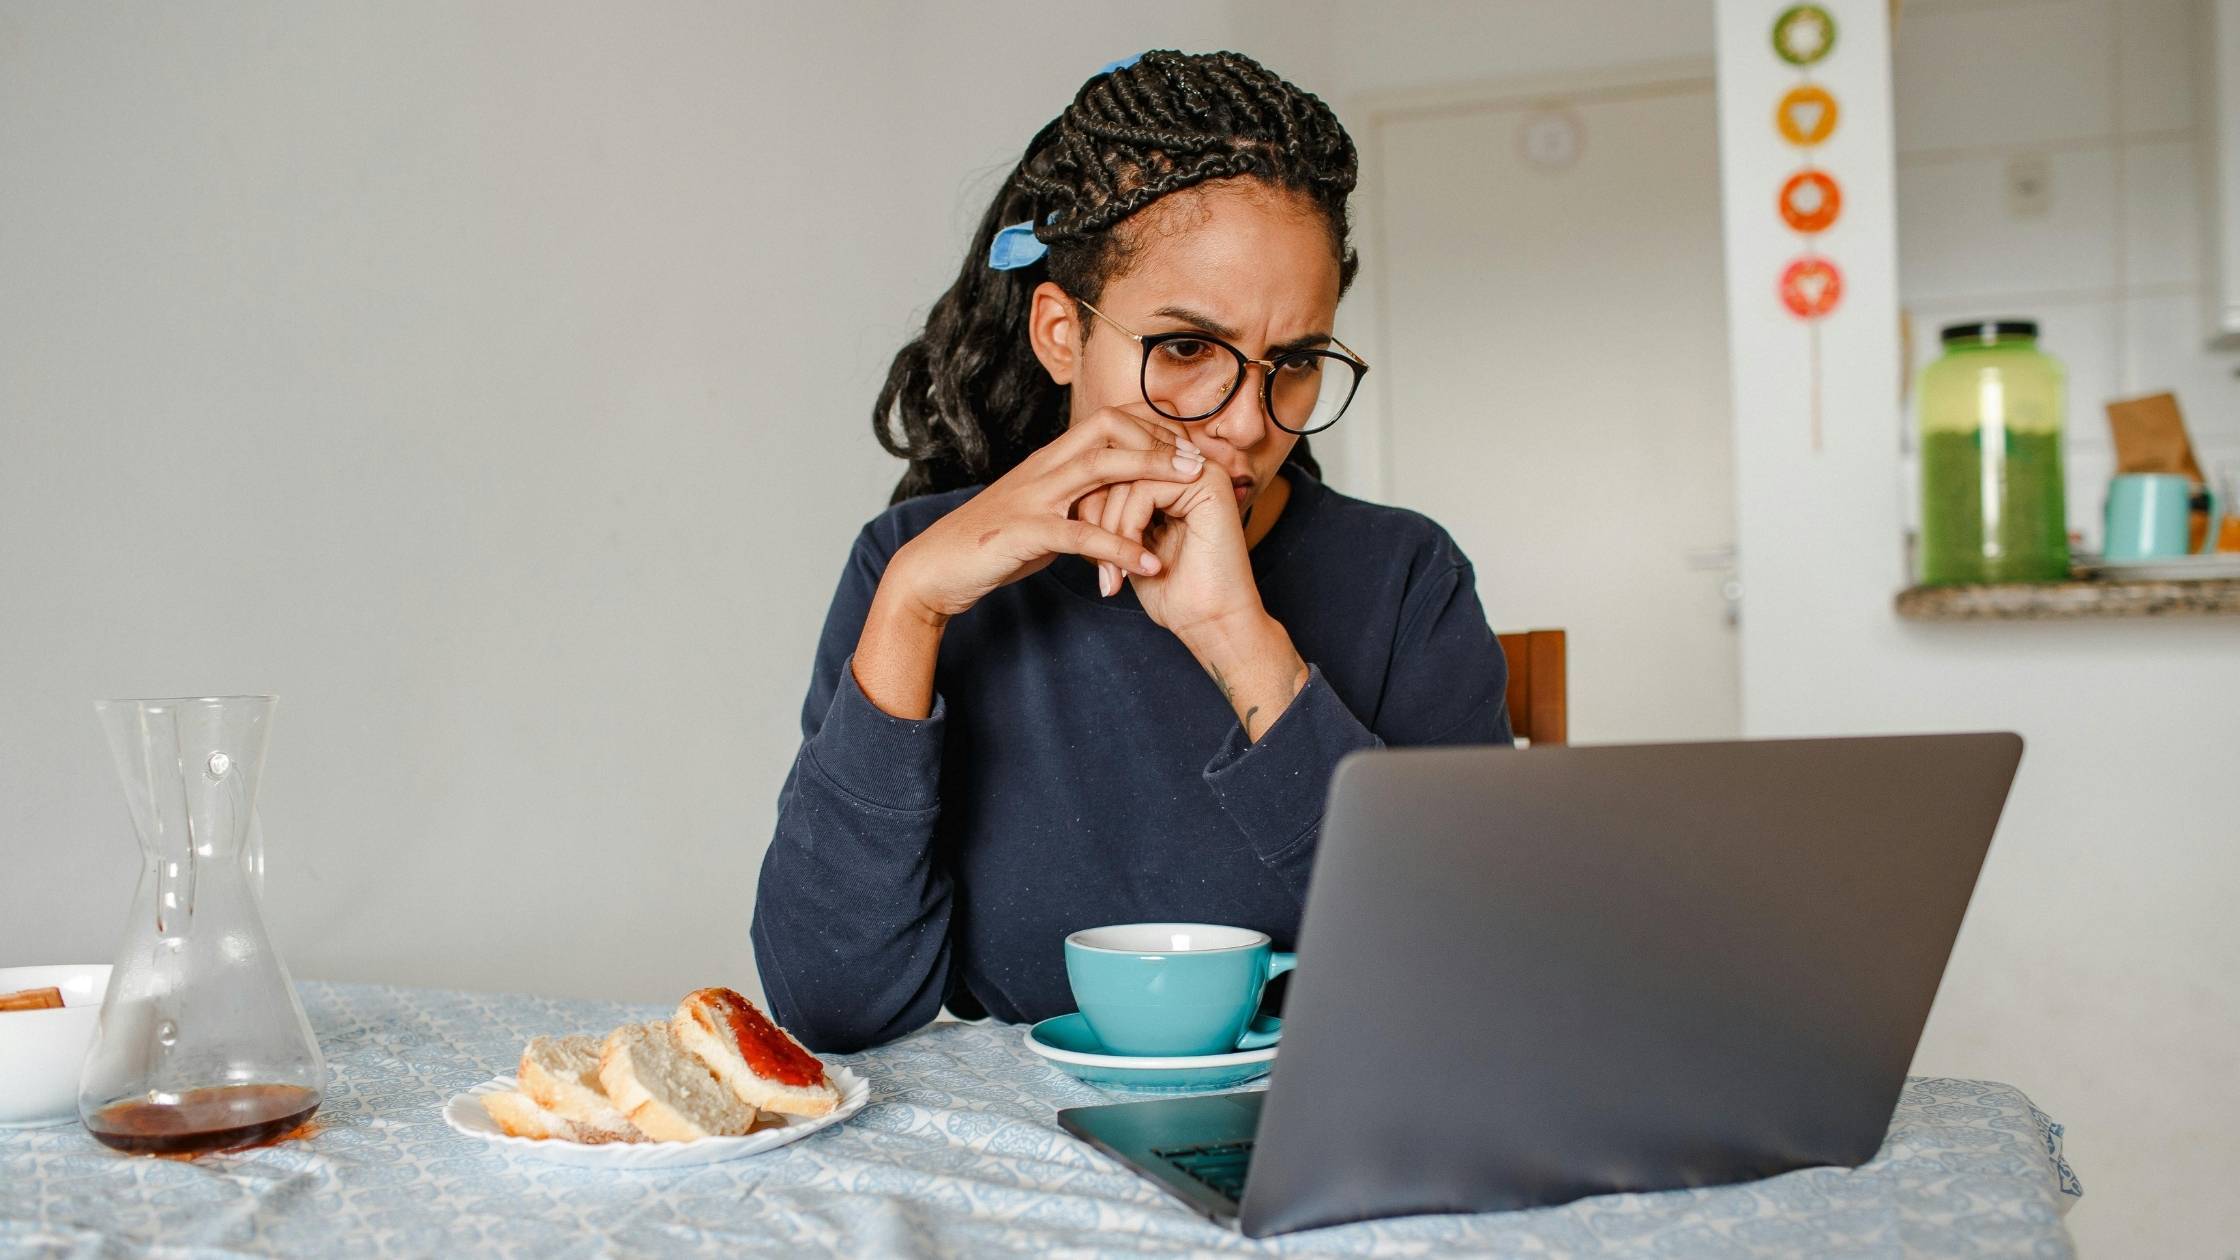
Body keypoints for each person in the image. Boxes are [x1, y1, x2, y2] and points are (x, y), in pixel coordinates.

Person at [753, 50, 1510, 1053]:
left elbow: (1472, 980)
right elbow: (830, 1008)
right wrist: (910, 611)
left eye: (1291, 364)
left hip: (1315, 1154)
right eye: (1187, 350)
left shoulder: (1405, 579)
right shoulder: (912, 567)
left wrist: (1238, 641)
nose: (1244, 424)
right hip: (1024, 1166)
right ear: (1061, 334)